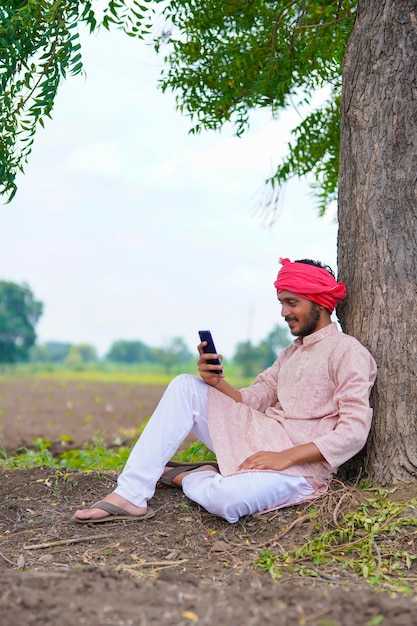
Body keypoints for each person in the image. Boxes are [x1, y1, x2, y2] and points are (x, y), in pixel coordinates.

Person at [72, 257, 377, 525]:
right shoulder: (290, 353)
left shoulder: (348, 353)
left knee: (226, 501)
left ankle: (188, 475)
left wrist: (285, 457)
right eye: (282, 303)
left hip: (301, 469)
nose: (284, 312)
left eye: (292, 302)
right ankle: (130, 494)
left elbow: (353, 432)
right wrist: (217, 383)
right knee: (185, 386)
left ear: (320, 302)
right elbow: (254, 398)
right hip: (263, 440)